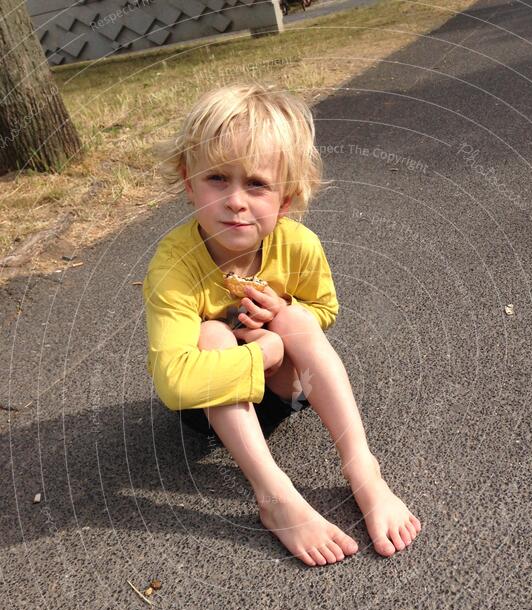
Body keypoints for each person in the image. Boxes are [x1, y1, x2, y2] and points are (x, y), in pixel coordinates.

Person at [143, 82, 421, 567]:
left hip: (284, 394)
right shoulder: (174, 265)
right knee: (211, 333)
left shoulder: (299, 244)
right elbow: (173, 384)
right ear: (189, 183)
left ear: (287, 198)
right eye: (216, 180)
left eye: (256, 184)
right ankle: (274, 495)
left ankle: (363, 470)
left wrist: (281, 318)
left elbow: (325, 308)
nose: (235, 201)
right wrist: (264, 352)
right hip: (209, 410)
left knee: (294, 315)